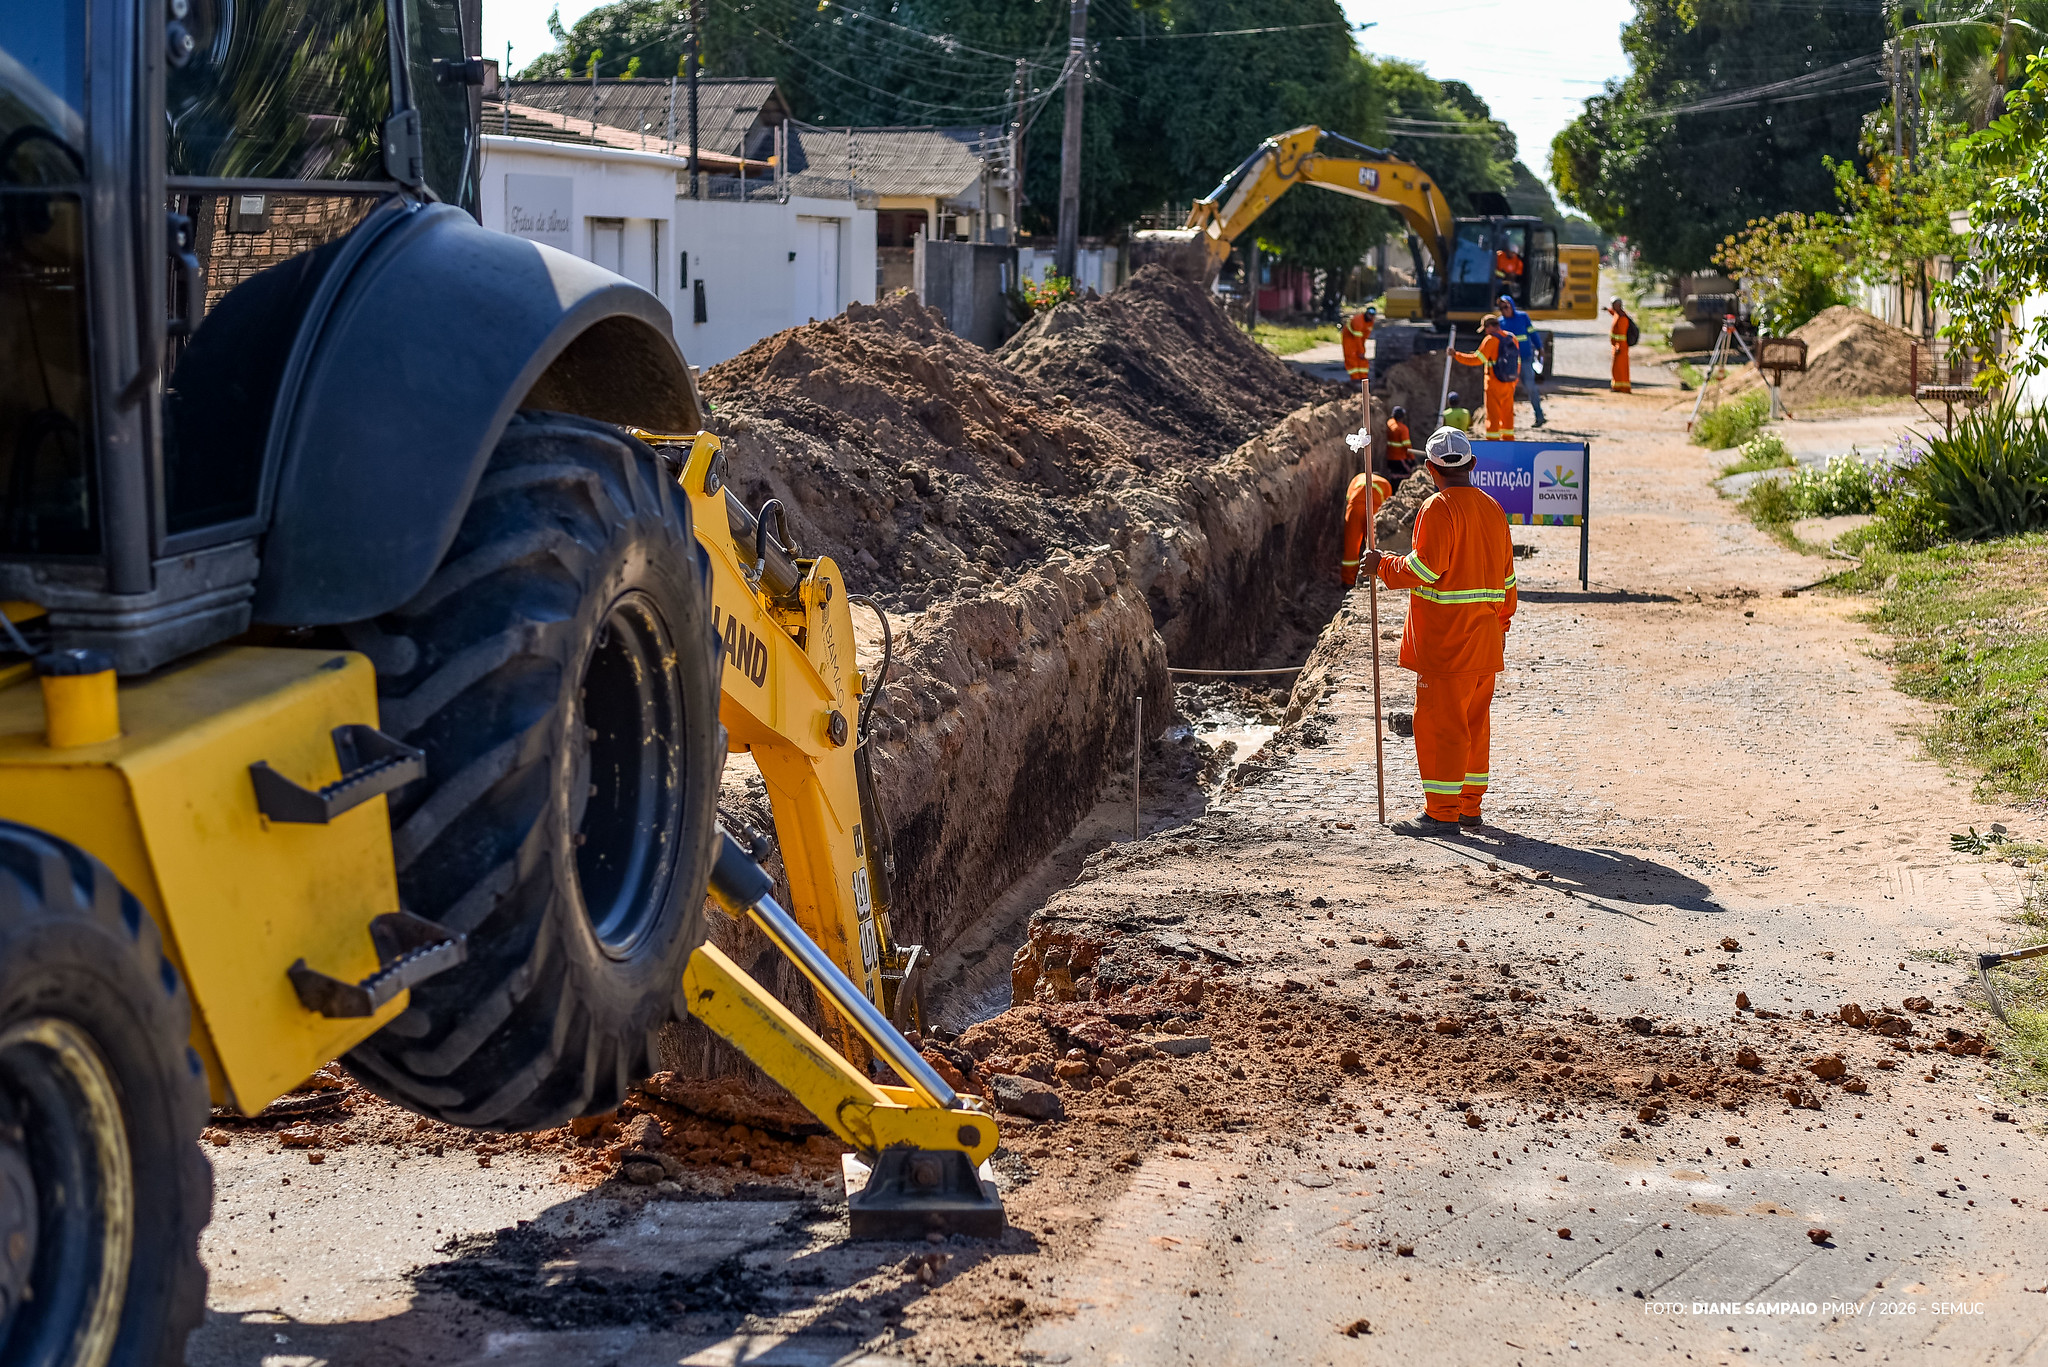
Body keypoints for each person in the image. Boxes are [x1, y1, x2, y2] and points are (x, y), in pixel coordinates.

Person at [1356, 427, 1516, 835]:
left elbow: (1426, 569)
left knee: (1442, 727)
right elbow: (1508, 581)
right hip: (1484, 642)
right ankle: (1469, 807)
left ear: (1430, 469)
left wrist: (1384, 565)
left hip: (1447, 645)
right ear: (1472, 465)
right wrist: (1501, 626)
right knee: (1474, 725)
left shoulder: (1437, 508)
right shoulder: (1494, 509)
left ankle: (1442, 814)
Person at [1454, 313, 1519, 440]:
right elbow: (1518, 362)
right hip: (1509, 382)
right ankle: (1508, 440)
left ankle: (1493, 441)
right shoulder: (1512, 338)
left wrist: (1456, 355)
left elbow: (1476, 360)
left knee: (1493, 414)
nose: (1485, 332)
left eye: (1485, 329)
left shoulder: (1490, 340)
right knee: (1507, 413)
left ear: (1489, 327)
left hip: (1494, 383)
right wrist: (1515, 380)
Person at [1495, 295, 1546, 429]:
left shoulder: (1523, 317)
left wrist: (1540, 347)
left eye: (1506, 306)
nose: (1504, 310)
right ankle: (1505, 421)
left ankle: (1539, 416)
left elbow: (1533, 334)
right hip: (1510, 362)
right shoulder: (1500, 322)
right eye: (1501, 307)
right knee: (1508, 390)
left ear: (1511, 305)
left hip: (1525, 358)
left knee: (1530, 387)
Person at [1340, 466, 1393, 587]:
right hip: (1374, 508)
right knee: (1371, 543)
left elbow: (1348, 498)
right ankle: (1368, 576)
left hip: (1355, 507)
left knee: (1351, 543)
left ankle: (1348, 580)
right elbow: (1387, 507)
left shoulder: (1358, 477)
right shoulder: (1386, 483)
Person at [1340, 305, 1377, 387]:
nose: (1371, 316)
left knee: (1361, 357)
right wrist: (1361, 351)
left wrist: (1362, 350)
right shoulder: (1358, 321)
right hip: (1349, 337)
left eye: (1372, 315)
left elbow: (1364, 337)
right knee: (1351, 356)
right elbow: (1357, 338)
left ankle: (1363, 377)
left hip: (1359, 339)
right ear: (1366, 313)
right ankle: (1355, 378)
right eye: (1369, 314)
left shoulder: (1370, 322)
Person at [1609, 297, 1633, 394]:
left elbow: (1621, 335)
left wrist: (1618, 347)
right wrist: (1608, 310)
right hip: (1617, 347)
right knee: (1616, 368)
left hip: (1621, 348)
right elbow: (1614, 314)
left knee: (1621, 368)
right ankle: (1617, 386)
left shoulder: (1622, 317)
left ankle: (1623, 388)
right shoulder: (1617, 314)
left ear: (1618, 305)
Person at [1385, 405, 1414, 476]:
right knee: (1408, 474)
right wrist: (1412, 458)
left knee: (1393, 474)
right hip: (1399, 457)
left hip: (1389, 457)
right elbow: (1407, 446)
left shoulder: (1389, 423)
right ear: (1402, 416)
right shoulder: (1403, 429)